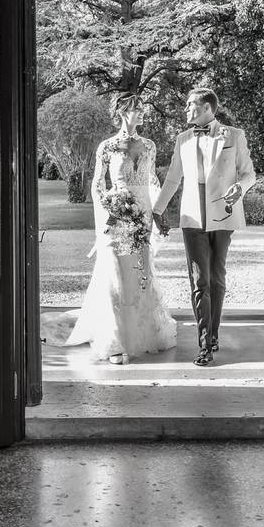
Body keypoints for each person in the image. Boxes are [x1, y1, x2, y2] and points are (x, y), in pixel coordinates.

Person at [42, 93, 177, 364]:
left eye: (141, 109)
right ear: (121, 113)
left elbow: (152, 180)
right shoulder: (107, 146)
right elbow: (97, 184)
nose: (140, 113)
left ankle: (144, 332)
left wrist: (156, 213)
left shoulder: (149, 145)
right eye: (134, 109)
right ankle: (114, 340)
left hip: (142, 213)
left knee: (139, 271)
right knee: (114, 271)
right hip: (115, 215)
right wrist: (107, 209)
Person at [152, 88, 256, 366]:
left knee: (216, 278)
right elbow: (174, 177)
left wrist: (240, 188)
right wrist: (157, 210)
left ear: (208, 108)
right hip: (192, 217)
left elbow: (249, 173)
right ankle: (205, 343)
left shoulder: (234, 135)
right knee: (200, 280)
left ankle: (214, 332)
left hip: (223, 213)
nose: (186, 109)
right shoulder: (183, 139)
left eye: (191, 105)